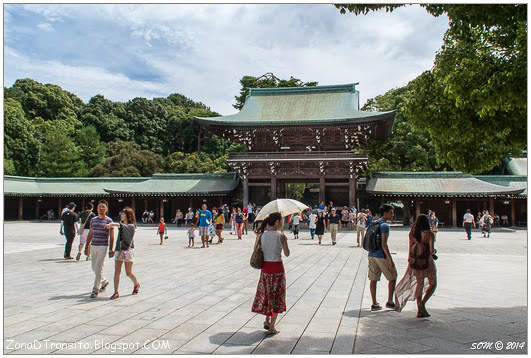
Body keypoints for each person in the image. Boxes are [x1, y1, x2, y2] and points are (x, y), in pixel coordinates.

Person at [251, 212, 290, 335]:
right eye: (282, 221)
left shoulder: (262, 235)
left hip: (265, 270)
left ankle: (267, 320)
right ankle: (272, 326)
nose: (283, 223)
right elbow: (287, 253)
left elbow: (255, 250)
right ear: (277, 222)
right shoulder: (281, 236)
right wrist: (285, 241)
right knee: (277, 297)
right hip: (277, 269)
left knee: (267, 295)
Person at [395, 214, 437, 317]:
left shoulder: (412, 233)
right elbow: (431, 250)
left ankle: (420, 309)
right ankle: (422, 304)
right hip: (427, 261)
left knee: (419, 283)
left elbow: (410, 247)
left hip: (415, 261)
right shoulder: (429, 234)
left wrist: (410, 259)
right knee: (433, 283)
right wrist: (434, 251)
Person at [368, 204, 397, 311]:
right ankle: (390, 301)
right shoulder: (384, 226)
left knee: (373, 279)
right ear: (385, 213)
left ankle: (374, 303)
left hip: (371, 254)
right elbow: (384, 244)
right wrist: (390, 260)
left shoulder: (374, 222)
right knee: (393, 277)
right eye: (391, 212)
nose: (392, 215)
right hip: (381, 255)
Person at [107, 207, 140, 300]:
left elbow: (122, 226)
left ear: (127, 215)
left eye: (123, 214)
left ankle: (136, 284)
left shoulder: (131, 226)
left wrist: (112, 224)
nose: (121, 215)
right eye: (121, 214)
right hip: (119, 249)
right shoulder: (121, 225)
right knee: (117, 272)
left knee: (128, 273)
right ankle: (116, 292)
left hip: (128, 250)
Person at [85, 200, 114, 298]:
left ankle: (95, 289)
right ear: (97, 208)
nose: (101, 208)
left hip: (103, 246)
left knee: (98, 267)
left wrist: (111, 249)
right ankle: (104, 281)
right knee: (94, 267)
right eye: (99, 207)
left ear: (106, 209)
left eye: (103, 207)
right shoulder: (93, 219)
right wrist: (87, 245)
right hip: (93, 245)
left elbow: (112, 236)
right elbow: (90, 233)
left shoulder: (109, 221)